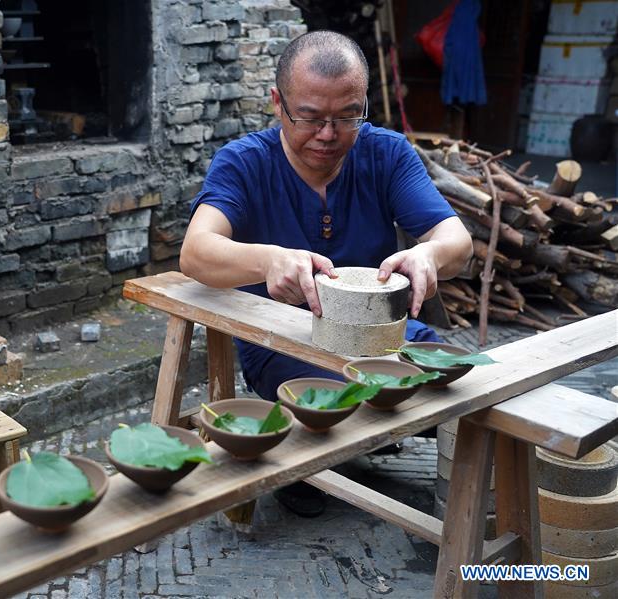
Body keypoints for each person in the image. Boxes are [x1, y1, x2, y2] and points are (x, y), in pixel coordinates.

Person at [179, 31, 473, 516]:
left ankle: (421, 481)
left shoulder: (386, 154)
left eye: (348, 116)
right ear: (277, 103)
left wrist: (430, 254)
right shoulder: (245, 163)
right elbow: (195, 253)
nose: (329, 135)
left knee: (461, 382)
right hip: (284, 341)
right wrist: (268, 260)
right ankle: (306, 460)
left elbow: (457, 242)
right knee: (339, 395)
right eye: (311, 117)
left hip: (383, 333)